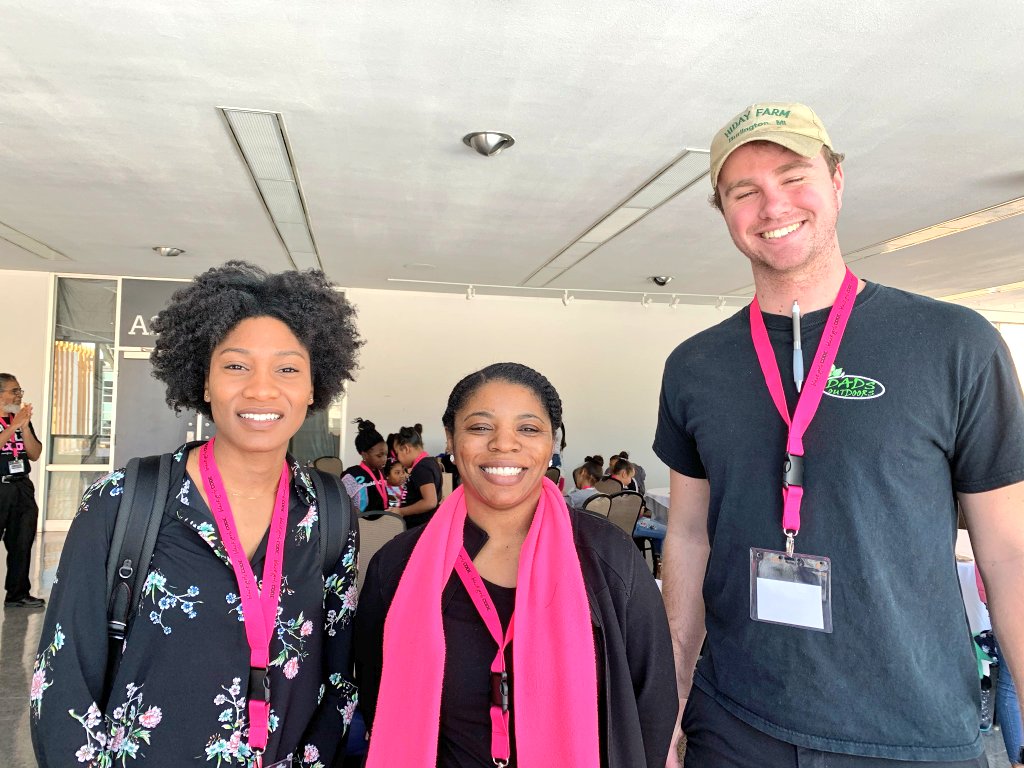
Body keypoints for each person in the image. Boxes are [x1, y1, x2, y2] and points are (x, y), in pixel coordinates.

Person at [654, 102, 1024, 767]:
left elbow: (1009, 554)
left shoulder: (954, 344)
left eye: (794, 177)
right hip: (736, 726)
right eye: (744, 191)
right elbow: (688, 536)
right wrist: (671, 704)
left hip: (912, 733)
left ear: (837, 182)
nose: (773, 205)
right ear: (724, 211)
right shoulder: (695, 366)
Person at [31, 261, 363, 767]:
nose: (261, 389)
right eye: (236, 366)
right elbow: (61, 682)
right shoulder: (124, 501)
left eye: (287, 369)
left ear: (314, 387)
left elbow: (338, 676)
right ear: (204, 382)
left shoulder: (330, 511)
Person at [355, 362, 676, 768]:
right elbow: (376, 696)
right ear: (451, 439)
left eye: (528, 428)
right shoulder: (397, 566)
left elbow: (653, 702)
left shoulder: (608, 557)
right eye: (480, 427)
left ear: (553, 441)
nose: (503, 444)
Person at [0, 373, 45, 608]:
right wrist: (13, 426)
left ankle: (17, 594)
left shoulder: (19, 420)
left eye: (20, 391)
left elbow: (35, 454)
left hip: (21, 486)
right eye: (14, 391)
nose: (19, 395)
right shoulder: (12, 422)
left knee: (22, 542)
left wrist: (24, 427)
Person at [393, 424, 442, 528]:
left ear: (406, 449)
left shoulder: (422, 467)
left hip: (420, 527)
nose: (398, 458)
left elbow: (430, 502)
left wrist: (401, 511)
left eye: (397, 453)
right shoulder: (429, 462)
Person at [341, 418, 390, 514]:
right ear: (365, 455)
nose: (384, 459)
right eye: (379, 456)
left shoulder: (381, 471)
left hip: (385, 521)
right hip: (362, 522)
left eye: (386, 454)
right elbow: (342, 502)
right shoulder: (352, 475)